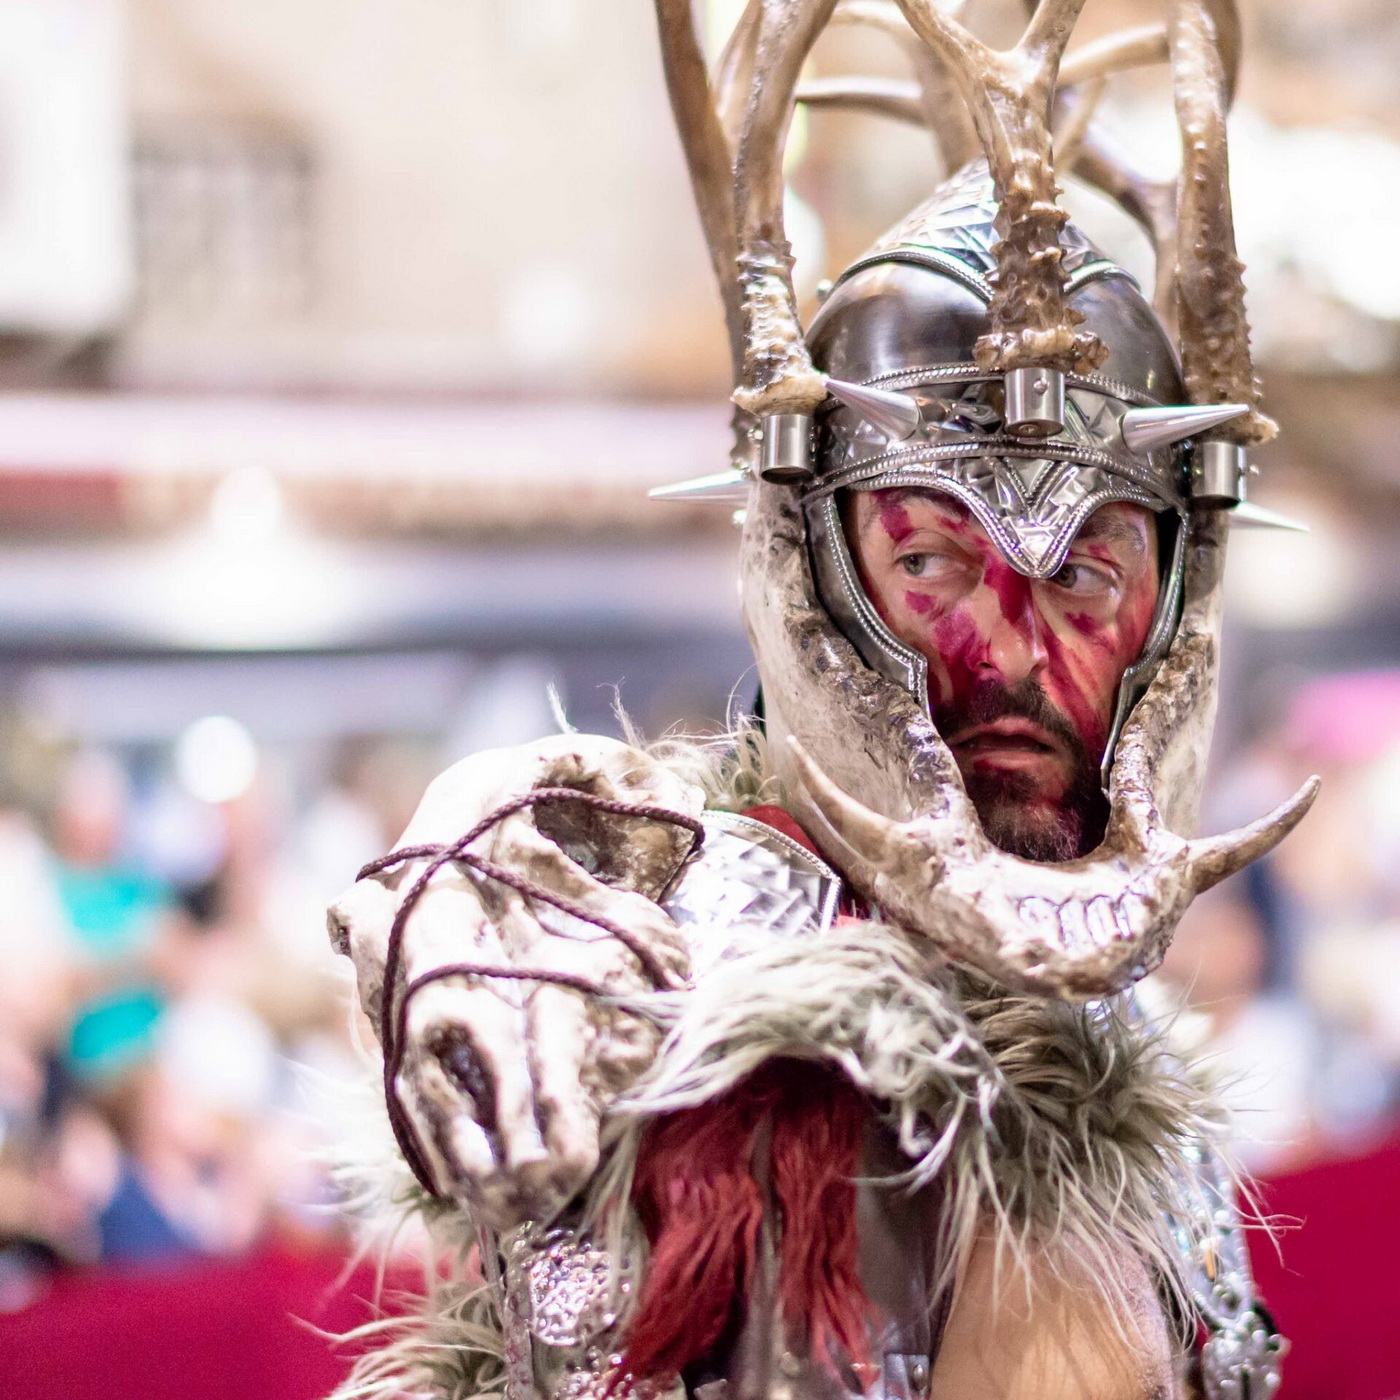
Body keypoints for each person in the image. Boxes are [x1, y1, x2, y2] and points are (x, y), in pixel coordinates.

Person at [328, 3, 1318, 1397]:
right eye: (930, 564)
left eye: (1085, 574)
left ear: (1176, 592)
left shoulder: (1129, 1032)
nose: (1013, 655)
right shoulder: (661, 953)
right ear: (812, 563)